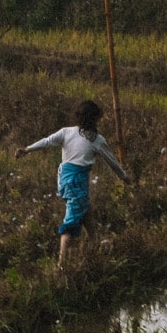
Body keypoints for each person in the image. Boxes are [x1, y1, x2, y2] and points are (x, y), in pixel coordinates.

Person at [17, 98, 130, 267]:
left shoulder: (66, 132)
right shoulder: (97, 140)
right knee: (71, 223)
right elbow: (112, 161)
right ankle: (62, 264)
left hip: (64, 180)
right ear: (95, 119)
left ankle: (95, 243)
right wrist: (124, 176)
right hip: (77, 181)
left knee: (86, 212)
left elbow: (47, 141)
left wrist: (27, 149)